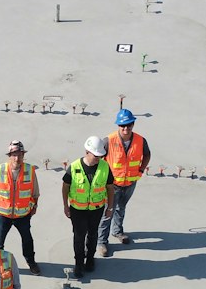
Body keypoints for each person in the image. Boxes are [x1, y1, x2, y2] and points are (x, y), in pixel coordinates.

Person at [99, 108, 151, 256]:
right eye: (123, 125)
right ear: (118, 126)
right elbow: (98, 159)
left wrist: (140, 170)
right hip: (112, 185)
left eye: (128, 125)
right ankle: (102, 241)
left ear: (133, 124)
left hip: (130, 183)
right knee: (107, 212)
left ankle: (117, 232)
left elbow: (147, 155)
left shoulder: (141, 140)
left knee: (121, 208)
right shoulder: (108, 140)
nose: (126, 128)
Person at [62, 136, 114, 277]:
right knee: (79, 236)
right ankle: (79, 263)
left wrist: (110, 207)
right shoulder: (74, 167)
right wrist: (66, 206)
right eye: (95, 155)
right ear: (87, 152)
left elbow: (110, 188)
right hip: (77, 210)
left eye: (100, 156)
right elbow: (65, 187)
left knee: (93, 234)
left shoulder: (105, 167)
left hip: (96, 209)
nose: (98, 158)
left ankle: (90, 259)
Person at [0, 140, 40, 275]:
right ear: (9, 156)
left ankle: (31, 262)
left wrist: (34, 206)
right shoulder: (0, 170)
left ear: (23, 155)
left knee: (27, 240)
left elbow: (35, 192)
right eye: (14, 155)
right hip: (3, 214)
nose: (17, 158)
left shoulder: (30, 170)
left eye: (20, 155)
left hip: (23, 215)